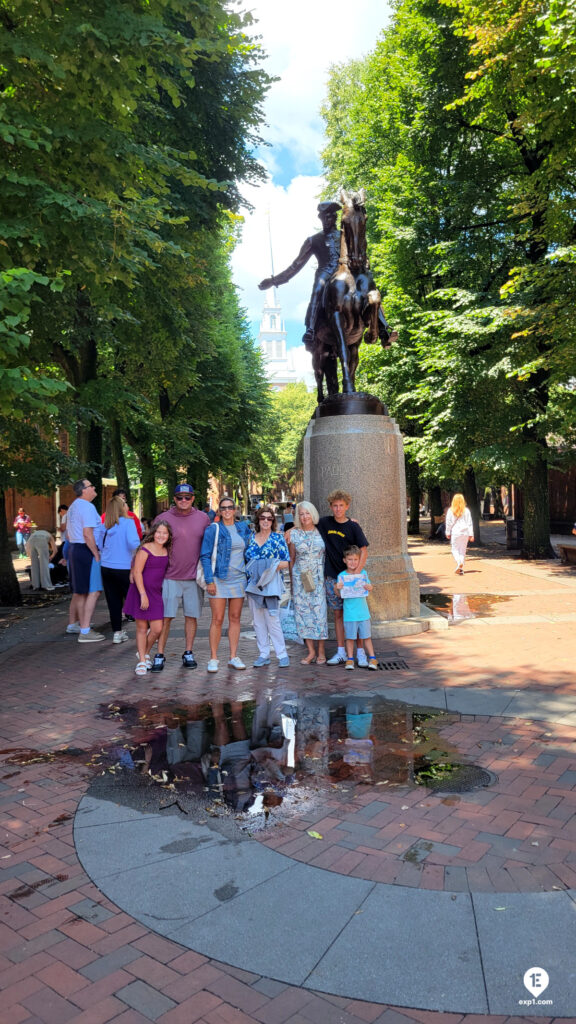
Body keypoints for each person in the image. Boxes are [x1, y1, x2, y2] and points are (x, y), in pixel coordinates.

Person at [150, 483, 210, 671]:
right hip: (169, 577)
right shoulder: (162, 518)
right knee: (166, 617)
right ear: (174, 499)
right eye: (179, 497)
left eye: (187, 497)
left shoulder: (203, 519)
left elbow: (210, 546)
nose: (183, 500)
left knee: (191, 617)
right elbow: (152, 546)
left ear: (193, 498)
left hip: (193, 578)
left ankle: (188, 652)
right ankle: (159, 654)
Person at [317, 490, 369, 666]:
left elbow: (364, 550)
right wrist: (291, 529)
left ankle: (360, 652)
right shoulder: (324, 523)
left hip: (350, 578)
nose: (338, 509)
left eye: (341, 506)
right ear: (331, 507)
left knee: (356, 616)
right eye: (335, 506)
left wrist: (357, 573)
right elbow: (306, 522)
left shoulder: (353, 526)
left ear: (347, 506)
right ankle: (341, 652)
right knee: (338, 614)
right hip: (333, 577)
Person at [200, 498, 252, 673]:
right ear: (219, 511)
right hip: (219, 579)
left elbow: (251, 550)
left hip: (239, 579)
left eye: (230, 507)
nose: (228, 510)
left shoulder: (243, 527)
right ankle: (213, 657)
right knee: (217, 619)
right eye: (224, 508)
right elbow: (205, 555)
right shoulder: (212, 529)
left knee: (235, 618)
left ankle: (233, 656)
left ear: (235, 509)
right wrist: (209, 580)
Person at [123, 521, 172, 675]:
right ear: (153, 533)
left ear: (169, 536)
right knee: (142, 628)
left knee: (157, 629)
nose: (161, 536)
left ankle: (143, 653)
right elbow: (137, 572)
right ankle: (142, 662)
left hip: (156, 593)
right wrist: (143, 594)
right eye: (158, 532)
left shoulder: (166, 551)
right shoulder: (145, 549)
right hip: (141, 592)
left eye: (165, 533)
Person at [245, 505, 290, 667]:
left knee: (273, 620)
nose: (265, 521)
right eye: (262, 518)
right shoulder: (251, 538)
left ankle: (282, 654)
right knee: (257, 621)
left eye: (269, 518)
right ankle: (263, 653)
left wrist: (270, 565)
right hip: (254, 585)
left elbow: (287, 562)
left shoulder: (278, 539)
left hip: (271, 584)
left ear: (273, 521)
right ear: (258, 520)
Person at [288, 501, 328, 664]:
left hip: (319, 578)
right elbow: (291, 559)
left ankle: (321, 651)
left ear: (313, 514)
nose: (304, 517)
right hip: (301, 579)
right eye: (301, 514)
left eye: (307, 513)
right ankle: (310, 651)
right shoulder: (294, 535)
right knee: (303, 615)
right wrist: (291, 582)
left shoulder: (322, 530)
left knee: (319, 614)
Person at [66, 479, 105, 643]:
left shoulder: (74, 506)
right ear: (84, 490)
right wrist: (96, 553)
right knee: (92, 591)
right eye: (91, 486)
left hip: (75, 548)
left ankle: (79, 625)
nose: (94, 487)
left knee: (80, 591)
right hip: (86, 550)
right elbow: (88, 533)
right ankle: (85, 630)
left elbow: (68, 534)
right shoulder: (87, 507)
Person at [97, 495, 140, 643]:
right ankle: (144, 628)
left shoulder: (104, 526)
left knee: (113, 600)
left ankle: (117, 632)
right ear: (122, 508)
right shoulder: (128, 523)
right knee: (135, 598)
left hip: (106, 567)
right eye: (125, 503)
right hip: (124, 567)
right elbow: (133, 543)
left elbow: (100, 545)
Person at [335, 546, 378, 670]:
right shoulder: (341, 576)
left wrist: (369, 587)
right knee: (350, 637)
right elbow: (340, 595)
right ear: (344, 560)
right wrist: (338, 588)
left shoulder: (363, 574)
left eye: (355, 559)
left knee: (366, 637)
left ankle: (373, 658)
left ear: (359, 561)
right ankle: (350, 659)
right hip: (349, 614)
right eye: (350, 559)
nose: (353, 562)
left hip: (363, 613)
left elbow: (369, 587)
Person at [445, 493, 474, 575]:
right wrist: (471, 534)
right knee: (462, 550)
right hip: (465, 532)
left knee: (454, 549)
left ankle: (459, 563)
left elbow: (448, 523)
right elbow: (470, 523)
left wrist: (448, 532)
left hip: (455, 532)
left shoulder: (451, 510)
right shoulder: (467, 510)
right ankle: (460, 567)